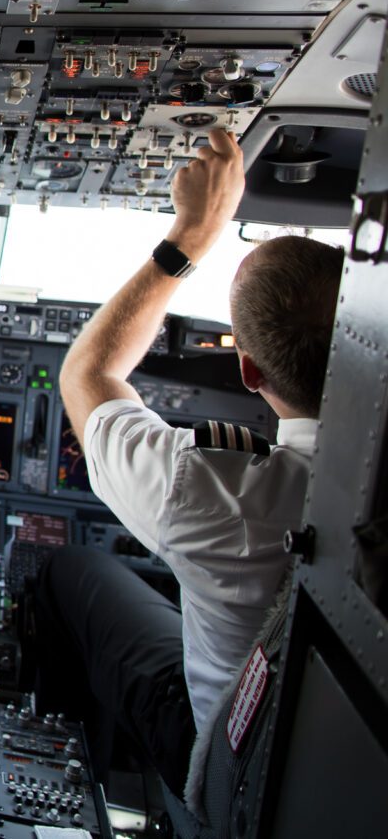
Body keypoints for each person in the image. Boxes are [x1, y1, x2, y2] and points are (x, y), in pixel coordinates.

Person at [38, 127, 344, 793]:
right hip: (325, 783)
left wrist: (193, 236)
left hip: (226, 770)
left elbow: (88, 374)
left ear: (250, 370)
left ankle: (61, 764)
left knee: (71, 566)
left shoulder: (216, 490)